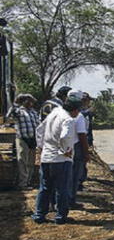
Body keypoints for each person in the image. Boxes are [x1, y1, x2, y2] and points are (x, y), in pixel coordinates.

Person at [32, 96, 80, 224]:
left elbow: (39, 130)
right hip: (61, 160)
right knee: (62, 189)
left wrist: (41, 147)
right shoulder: (68, 119)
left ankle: (39, 215)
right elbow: (65, 136)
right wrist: (66, 150)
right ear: (75, 110)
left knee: (45, 187)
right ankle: (60, 216)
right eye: (78, 111)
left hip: (46, 158)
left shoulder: (54, 112)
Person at [5, 94, 40, 189]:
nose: (30, 103)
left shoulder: (33, 112)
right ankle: (22, 183)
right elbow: (8, 116)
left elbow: (38, 125)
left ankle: (28, 181)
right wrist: (15, 103)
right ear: (23, 101)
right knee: (22, 161)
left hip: (33, 139)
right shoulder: (19, 111)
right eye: (27, 100)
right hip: (22, 138)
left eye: (31, 101)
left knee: (30, 162)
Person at [67, 90, 90, 208]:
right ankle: (70, 201)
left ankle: (61, 201)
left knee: (65, 175)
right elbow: (82, 135)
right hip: (76, 147)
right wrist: (86, 153)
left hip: (64, 146)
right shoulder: (79, 116)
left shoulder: (60, 113)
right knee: (75, 175)